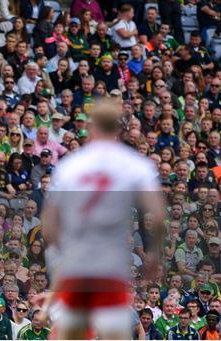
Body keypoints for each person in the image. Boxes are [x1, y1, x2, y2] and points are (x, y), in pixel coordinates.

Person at [42, 100, 166, 339]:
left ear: (91, 127)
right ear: (119, 128)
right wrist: (154, 255)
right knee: (114, 333)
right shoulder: (135, 164)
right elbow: (158, 216)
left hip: (77, 259)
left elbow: (50, 221)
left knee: (72, 333)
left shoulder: (71, 165)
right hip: (111, 261)